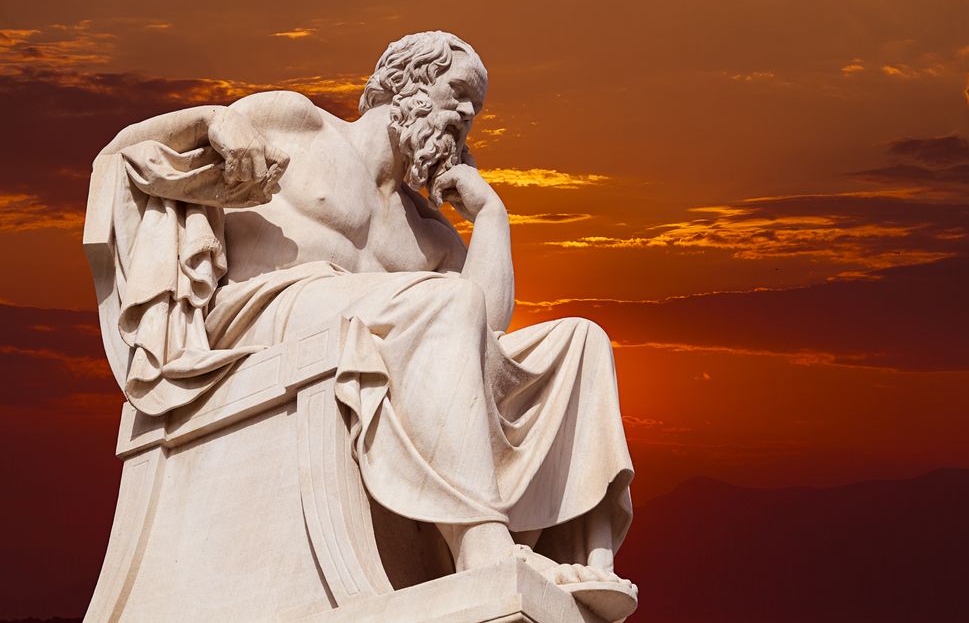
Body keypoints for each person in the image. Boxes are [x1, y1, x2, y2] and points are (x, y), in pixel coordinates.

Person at [100, 31, 636, 615]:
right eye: (458, 92)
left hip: (361, 320)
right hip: (265, 311)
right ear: (405, 81)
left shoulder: (429, 233)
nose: (465, 115)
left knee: (580, 340)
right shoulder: (302, 123)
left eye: (475, 110)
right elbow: (122, 153)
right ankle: (481, 541)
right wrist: (212, 122)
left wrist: (490, 215)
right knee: (444, 301)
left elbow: (486, 330)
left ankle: (587, 563)